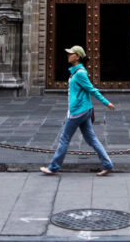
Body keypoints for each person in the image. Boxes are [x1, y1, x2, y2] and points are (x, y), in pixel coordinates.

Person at [40, 45, 115, 176]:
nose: (68, 55)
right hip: (83, 110)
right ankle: (108, 165)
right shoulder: (76, 72)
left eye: (71, 54)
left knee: (64, 139)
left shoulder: (80, 73)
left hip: (78, 111)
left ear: (77, 57)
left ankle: (53, 167)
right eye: (68, 53)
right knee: (91, 139)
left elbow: (91, 89)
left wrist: (106, 102)